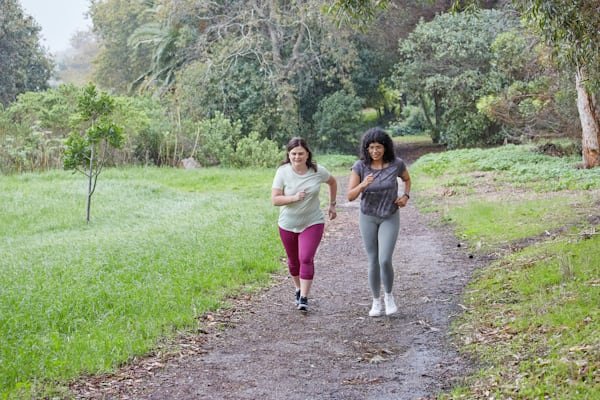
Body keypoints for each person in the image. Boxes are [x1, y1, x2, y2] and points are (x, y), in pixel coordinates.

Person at [347, 127, 411, 317]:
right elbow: (350, 196)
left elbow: (407, 179)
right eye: (371, 147)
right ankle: (376, 301)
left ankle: (389, 296)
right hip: (368, 217)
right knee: (373, 260)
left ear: (386, 148)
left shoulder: (396, 164)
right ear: (366, 149)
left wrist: (405, 195)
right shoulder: (360, 166)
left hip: (389, 215)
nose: (375, 151)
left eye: (379, 147)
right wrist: (362, 185)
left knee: (385, 259)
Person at [271, 137, 338, 312]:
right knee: (293, 261)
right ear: (288, 154)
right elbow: (275, 199)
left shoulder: (317, 171)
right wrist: (293, 198)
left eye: (301, 153)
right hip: (287, 223)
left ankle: (304, 298)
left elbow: (332, 182)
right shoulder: (282, 172)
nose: (297, 157)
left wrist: (332, 204)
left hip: (313, 222)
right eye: (293, 153)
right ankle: (298, 288)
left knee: (306, 258)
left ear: (307, 154)